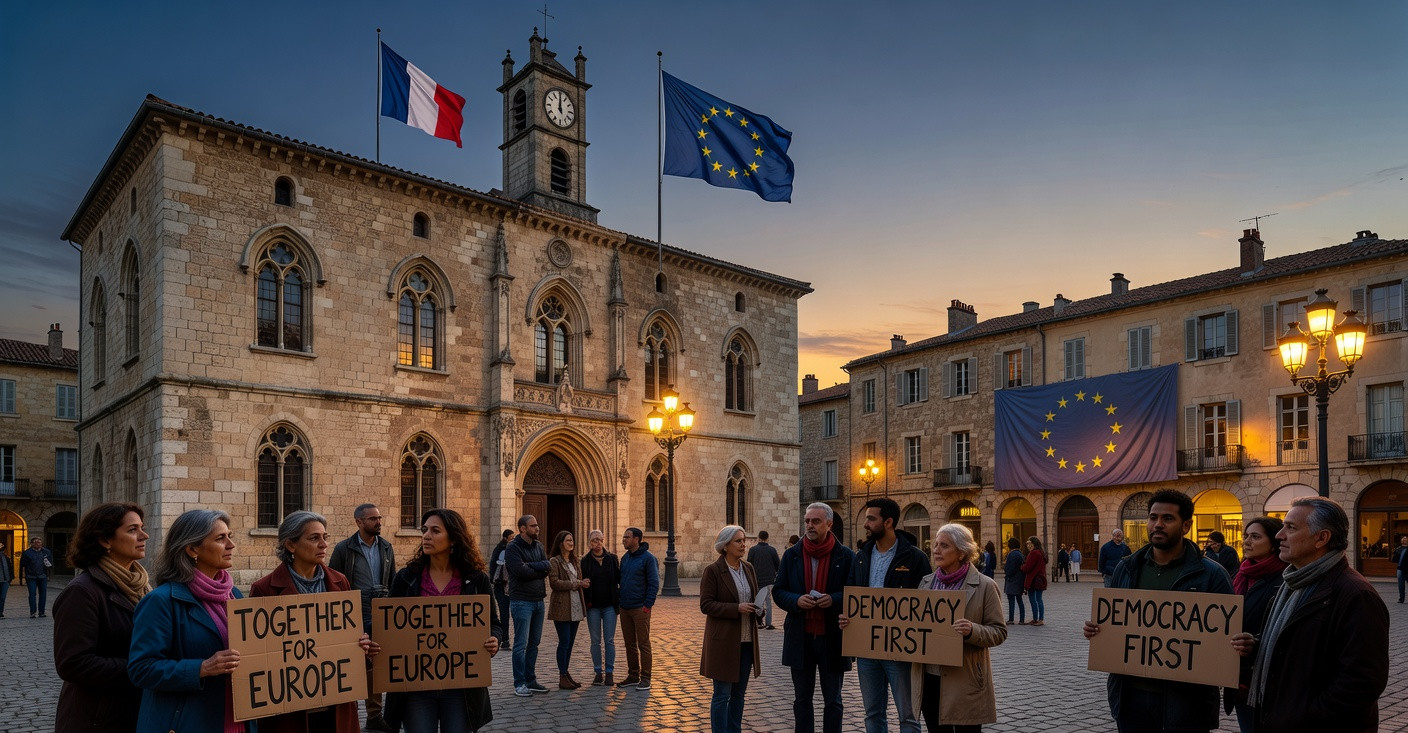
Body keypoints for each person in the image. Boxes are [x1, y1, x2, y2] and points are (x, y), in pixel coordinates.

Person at [1231, 498, 1389, 733]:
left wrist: (1306, 717)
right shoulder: (1293, 583)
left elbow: (1361, 682)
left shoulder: (1355, 595)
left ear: (1321, 538)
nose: (1279, 536)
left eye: (1291, 528)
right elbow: (1297, 646)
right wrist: (1257, 645)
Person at [1083, 489, 1233, 733]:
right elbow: (1117, 621)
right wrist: (1098, 630)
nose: (1158, 525)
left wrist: (1240, 643)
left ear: (1186, 526)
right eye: (1153, 518)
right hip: (1131, 698)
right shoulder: (1127, 568)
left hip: (1187, 702)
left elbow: (1225, 637)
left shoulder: (1212, 574)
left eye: (1168, 519)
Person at [252, 511, 378, 733]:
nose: (323, 544)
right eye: (314, 538)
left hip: (336, 704)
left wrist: (360, 646)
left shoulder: (341, 582)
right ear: (291, 545)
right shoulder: (264, 589)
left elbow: (348, 636)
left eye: (325, 537)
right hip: (291, 710)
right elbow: (258, 654)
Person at [382, 508, 501, 733]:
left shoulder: (476, 579)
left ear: (454, 538)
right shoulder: (406, 578)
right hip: (416, 687)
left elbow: (494, 623)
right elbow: (389, 626)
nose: (426, 535)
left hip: (460, 688)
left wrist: (494, 639)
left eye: (435, 531)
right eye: (424, 530)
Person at [128, 509, 246, 732]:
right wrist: (202, 668)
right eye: (221, 538)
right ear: (192, 549)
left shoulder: (235, 595)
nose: (231, 544)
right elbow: (141, 669)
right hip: (188, 722)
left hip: (235, 719)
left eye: (230, 535)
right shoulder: (161, 601)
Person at [52, 502, 151, 733]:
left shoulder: (144, 586)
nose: (144, 535)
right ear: (105, 540)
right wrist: (144, 669)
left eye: (142, 528)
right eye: (132, 530)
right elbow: (72, 664)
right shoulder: (82, 591)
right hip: (98, 718)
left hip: (134, 711)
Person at [838, 497, 930, 733]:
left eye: (871, 518)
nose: (866, 523)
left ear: (888, 522)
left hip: (901, 648)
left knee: (908, 715)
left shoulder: (915, 558)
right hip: (867, 649)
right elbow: (851, 594)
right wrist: (847, 616)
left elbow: (926, 602)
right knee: (872, 713)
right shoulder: (861, 556)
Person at [908, 523, 1007, 732]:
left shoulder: (985, 586)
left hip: (965, 679)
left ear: (961, 552)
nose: (935, 550)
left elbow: (999, 632)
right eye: (935, 544)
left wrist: (972, 630)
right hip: (929, 677)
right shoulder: (925, 583)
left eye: (944, 545)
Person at [773, 502, 856, 733]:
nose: (809, 525)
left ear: (829, 524)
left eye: (815, 521)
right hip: (800, 637)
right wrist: (796, 601)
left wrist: (835, 599)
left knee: (834, 701)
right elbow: (778, 591)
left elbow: (855, 592)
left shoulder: (846, 556)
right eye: (807, 521)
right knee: (801, 700)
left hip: (833, 638)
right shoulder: (791, 555)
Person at [327, 502, 395, 732]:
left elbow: (392, 578)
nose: (378, 522)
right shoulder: (343, 549)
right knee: (355, 659)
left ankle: (374, 715)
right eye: (373, 518)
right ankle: (347, 712)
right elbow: (333, 583)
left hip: (381, 605)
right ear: (359, 522)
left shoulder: (386, 547)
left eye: (379, 517)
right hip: (355, 607)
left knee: (375, 660)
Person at [1224, 516, 1286, 733]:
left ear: (1273, 544)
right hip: (1241, 683)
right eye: (1246, 536)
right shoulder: (1240, 575)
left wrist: (1255, 642)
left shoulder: (1285, 581)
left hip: (1269, 683)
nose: (1247, 541)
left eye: (1256, 536)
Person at [700, 525, 762, 733]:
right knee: (722, 695)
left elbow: (751, 599)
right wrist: (736, 608)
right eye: (738, 541)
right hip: (724, 642)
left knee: (739, 695)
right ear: (725, 545)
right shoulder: (713, 571)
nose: (744, 544)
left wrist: (758, 609)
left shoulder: (749, 568)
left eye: (744, 540)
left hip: (746, 642)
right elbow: (706, 605)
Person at [505, 514, 551, 697]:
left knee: (534, 643)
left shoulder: (539, 546)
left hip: (538, 601)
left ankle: (531, 680)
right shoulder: (512, 548)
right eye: (533, 526)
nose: (537, 528)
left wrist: (534, 567)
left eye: (537, 525)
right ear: (523, 528)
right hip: (521, 601)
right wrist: (538, 569)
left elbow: (548, 566)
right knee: (520, 644)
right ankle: (520, 683)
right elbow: (520, 571)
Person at [616, 526, 658, 689]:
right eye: (624, 537)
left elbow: (654, 583)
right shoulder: (625, 558)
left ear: (637, 539)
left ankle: (646, 678)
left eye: (627, 537)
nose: (624, 540)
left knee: (643, 643)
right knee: (629, 644)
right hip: (625, 608)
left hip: (640, 608)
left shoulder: (648, 558)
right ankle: (633, 675)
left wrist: (647, 605)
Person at [546, 529, 588, 690]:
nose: (571, 543)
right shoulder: (554, 561)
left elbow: (578, 579)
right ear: (560, 543)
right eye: (568, 540)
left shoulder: (575, 560)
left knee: (570, 643)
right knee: (564, 642)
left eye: (572, 540)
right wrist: (576, 583)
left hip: (576, 605)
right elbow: (554, 583)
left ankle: (566, 673)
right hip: (562, 606)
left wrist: (582, 582)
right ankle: (562, 675)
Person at [580, 529, 620, 685]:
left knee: (609, 640)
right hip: (593, 606)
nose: (597, 543)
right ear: (589, 543)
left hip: (609, 605)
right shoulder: (585, 561)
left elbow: (618, 578)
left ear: (604, 540)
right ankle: (598, 671)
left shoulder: (612, 559)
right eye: (593, 540)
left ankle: (609, 672)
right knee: (595, 641)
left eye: (599, 539)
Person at [746, 530, 780, 630]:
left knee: (757, 601)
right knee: (768, 602)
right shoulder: (772, 550)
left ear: (758, 538)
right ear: (767, 538)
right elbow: (778, 565)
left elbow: (749, 564)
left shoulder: (753, 550)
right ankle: (768, 623)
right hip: (769, 580)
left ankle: (759, 622)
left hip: (755, 579)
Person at [488, 528, 514, 646]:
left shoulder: (513, 549)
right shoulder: (499, 550)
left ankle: (509, 638)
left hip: (511, 586)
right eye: (511, 537)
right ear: (505, 538)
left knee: (514, 614)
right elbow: (493, 567)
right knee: (504, 613)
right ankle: (505, 639)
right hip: (501, 586)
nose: (513, 539)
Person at [20, 535, 54, 618]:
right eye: (35, 542)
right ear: (31, 544)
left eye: (39, 542)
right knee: (32, 594)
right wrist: (24, 575)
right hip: (31, 577)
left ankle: (41, 612)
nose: (38, 544)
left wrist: (49, 575)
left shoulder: (46, 552)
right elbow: (22, 564)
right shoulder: (27, 553)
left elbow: (51, 564)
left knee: (43, 594)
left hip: (42, 576)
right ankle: (33, 612)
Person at [1020, 537, 1047, 625]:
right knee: (1039, 599)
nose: (1027, 545)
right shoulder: (1041, 553)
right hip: (1041, 578)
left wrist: (1022, 566)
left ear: (1033, 543)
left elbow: (1027, 567)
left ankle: (1037, 619)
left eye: (1028, 543)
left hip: (1034, 579)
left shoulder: (1033, 553)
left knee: (1033, 599)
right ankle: (1040, 619)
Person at [1001, 537, 1025, 625]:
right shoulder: (1020, 554)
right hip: (1019, 580)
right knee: (1019, 600)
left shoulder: (1012, 554)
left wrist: (1007, 573)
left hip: (1012, 580)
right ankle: (1022, 619)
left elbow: (1010, 568)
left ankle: (1011, 619)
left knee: (1011, 600)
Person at [1391, 535, 1407, 603]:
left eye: (1406, 539)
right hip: (1400, 568)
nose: (1404, 541)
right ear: (1401, 541)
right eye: (1403, 540)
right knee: (1401, 585)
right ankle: (1401, 598)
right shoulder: (1399, 549)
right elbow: (1394, 558)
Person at [0, 538, 12, 618]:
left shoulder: (5, 557)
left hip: (5, 580)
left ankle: (0, 611)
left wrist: (10, 578)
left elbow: (10, 568)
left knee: (2, 597)